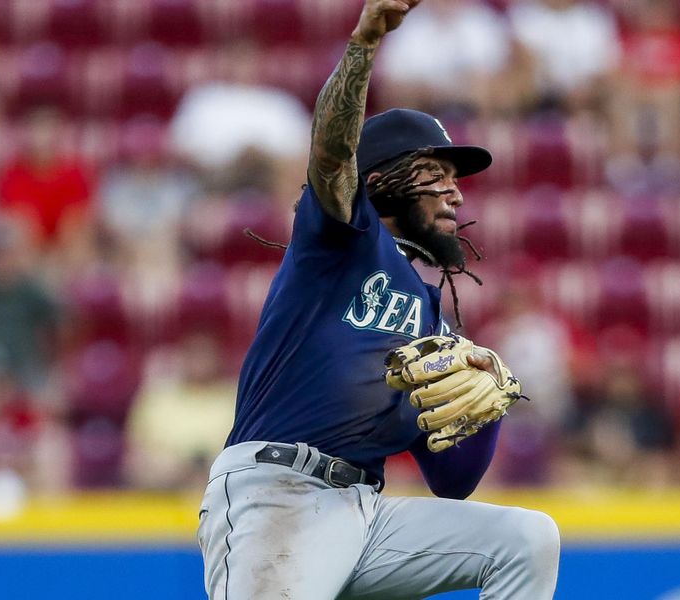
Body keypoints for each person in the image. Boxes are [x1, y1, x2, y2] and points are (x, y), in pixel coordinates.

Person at [197, 2, 560, 599]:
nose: (456, 196)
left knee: (525, 539)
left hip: (366, 511)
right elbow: (333, 154)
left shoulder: (429, 320)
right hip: (279, 493)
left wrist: (486, 405)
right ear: (381, 180)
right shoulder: (340, 239)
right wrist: (365, 43)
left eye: (456, 180)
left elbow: (454, 481)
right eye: (436, 174)